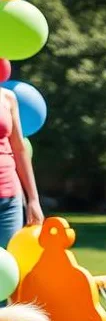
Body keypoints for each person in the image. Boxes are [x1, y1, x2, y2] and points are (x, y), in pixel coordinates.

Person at [0, 85, 43, 246]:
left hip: (9, 201)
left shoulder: (7, 97)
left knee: (10, 266)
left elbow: (19, 149)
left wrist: (33, 199)